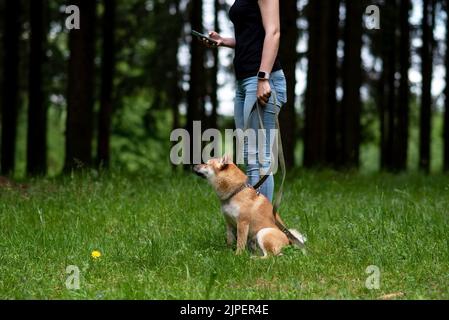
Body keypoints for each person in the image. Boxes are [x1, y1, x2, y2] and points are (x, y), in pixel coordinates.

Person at [200, 0, 287, 202]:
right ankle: (254, 223)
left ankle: (263, 225)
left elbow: (273, 32)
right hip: (244, 82)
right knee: (250, 154)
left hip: (262, 80)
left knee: (260, 156)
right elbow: (252, 37)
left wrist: (263, 78)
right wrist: (224, 41)